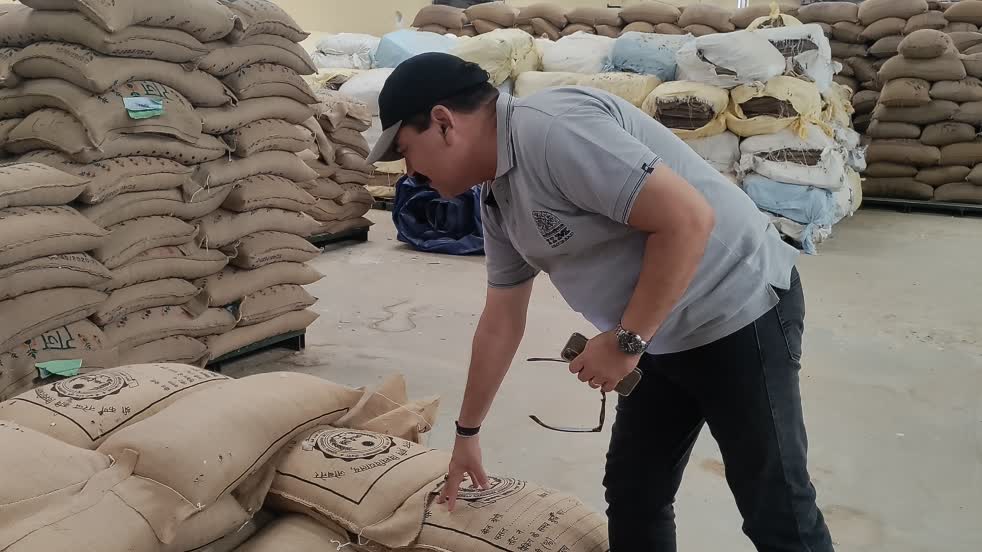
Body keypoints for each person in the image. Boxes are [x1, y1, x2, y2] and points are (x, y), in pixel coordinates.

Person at [367, 52, 835, 552]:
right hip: (655, 332)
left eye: (405, 151)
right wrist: (467, 433)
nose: (409, 172)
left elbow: (687, 219)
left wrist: (627, 341)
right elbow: (502, 319)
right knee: (635, 492)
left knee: (774, 505)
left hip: (738, 311)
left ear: (442, 122)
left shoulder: (552, 131)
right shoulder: (497, 197)